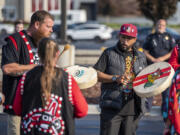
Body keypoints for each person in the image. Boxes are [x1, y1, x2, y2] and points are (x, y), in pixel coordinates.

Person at [12, 38, 88, 135]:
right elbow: (82, 111)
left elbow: (17, 109)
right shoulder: (68, 79)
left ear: (38, 54)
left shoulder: (26, 77)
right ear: (57, 54)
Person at [1, 10, 54, 135]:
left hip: (38, 105)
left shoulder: (43, 44)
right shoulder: (14, 41)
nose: (51, 30)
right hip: (17, 106)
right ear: (36, 24)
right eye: (48, 26)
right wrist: (36, 67)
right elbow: (8, 68)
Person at [94, 23, 147, 135]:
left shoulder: (141, 56)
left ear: (135, 39)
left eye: (129, 38)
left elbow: (145, 78)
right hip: (111, 107)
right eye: (123, 37)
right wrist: (114, 78)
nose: (125, 41)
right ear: (119, 36)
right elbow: (95, 74)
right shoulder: (108, 53)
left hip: (133, 109)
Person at [143, 19, 176, 122]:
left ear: (165, 26)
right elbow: (144, 51)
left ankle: (165, 113)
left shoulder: (169, 37)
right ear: (156, 25)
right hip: (153, 67)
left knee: (166, 92)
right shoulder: (150, 37)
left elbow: (173, 51)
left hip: (165, 69)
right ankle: (145, 111)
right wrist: (153, 59)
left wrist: (161, 59)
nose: (160, 26)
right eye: (159, 24)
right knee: (149, 90)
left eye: (162, 24)